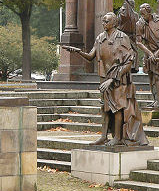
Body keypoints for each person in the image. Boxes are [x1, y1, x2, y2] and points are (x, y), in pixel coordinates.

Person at [63, 12, 148, 146]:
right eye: (103, 21)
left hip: (119, 78)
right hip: (104, 77)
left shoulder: (122, 37)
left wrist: (113, 79)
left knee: (117, 107)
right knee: (105, 108)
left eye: (106, 21)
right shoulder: (100, 38)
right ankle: (104, 136)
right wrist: (78, 51)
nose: (104, 24)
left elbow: (128, 61)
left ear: (114, 23)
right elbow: (91, 56)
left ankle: (118, 138)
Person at [136, 3, 159, 107]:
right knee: (151, 77)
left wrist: (157, 53)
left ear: (149, 13)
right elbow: (138, 41)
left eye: (144, 14)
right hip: (148, 53)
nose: (142, 17)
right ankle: (154, 98)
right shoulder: (139, 24)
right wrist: (149, 53)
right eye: (141, 15)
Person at [118, 0, 139, 72]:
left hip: (132, 35)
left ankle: (132, 66)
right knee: (126, 50)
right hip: (124, 35)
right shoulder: (123, 14)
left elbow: (136, 25)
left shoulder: (134, 15)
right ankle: (127, 66)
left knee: (133, 50)